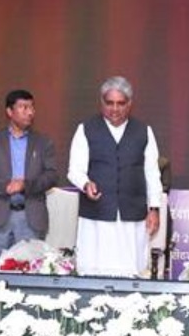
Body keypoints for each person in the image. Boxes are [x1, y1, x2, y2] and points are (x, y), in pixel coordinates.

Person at [67, 76, 161, 276]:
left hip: (132, 217)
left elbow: (152, 173)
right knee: (94, 270)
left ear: (130, 104)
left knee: (131, 270)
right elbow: (74, 170)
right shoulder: (85, 129)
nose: (115, 109)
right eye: (109, 103)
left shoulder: (144, 131)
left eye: (121, 103)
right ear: (101, 102)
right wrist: (86, 184)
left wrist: (154, 209)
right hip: (96, 216)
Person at [0, 89, 58, 264]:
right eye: (24, 107)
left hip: (30, 216)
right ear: (9, 111)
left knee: (30, 269)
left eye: (32, 107)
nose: (30, 112)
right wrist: (4, 186)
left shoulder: (43, 142)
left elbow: (52, 175)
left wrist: (26, 185)